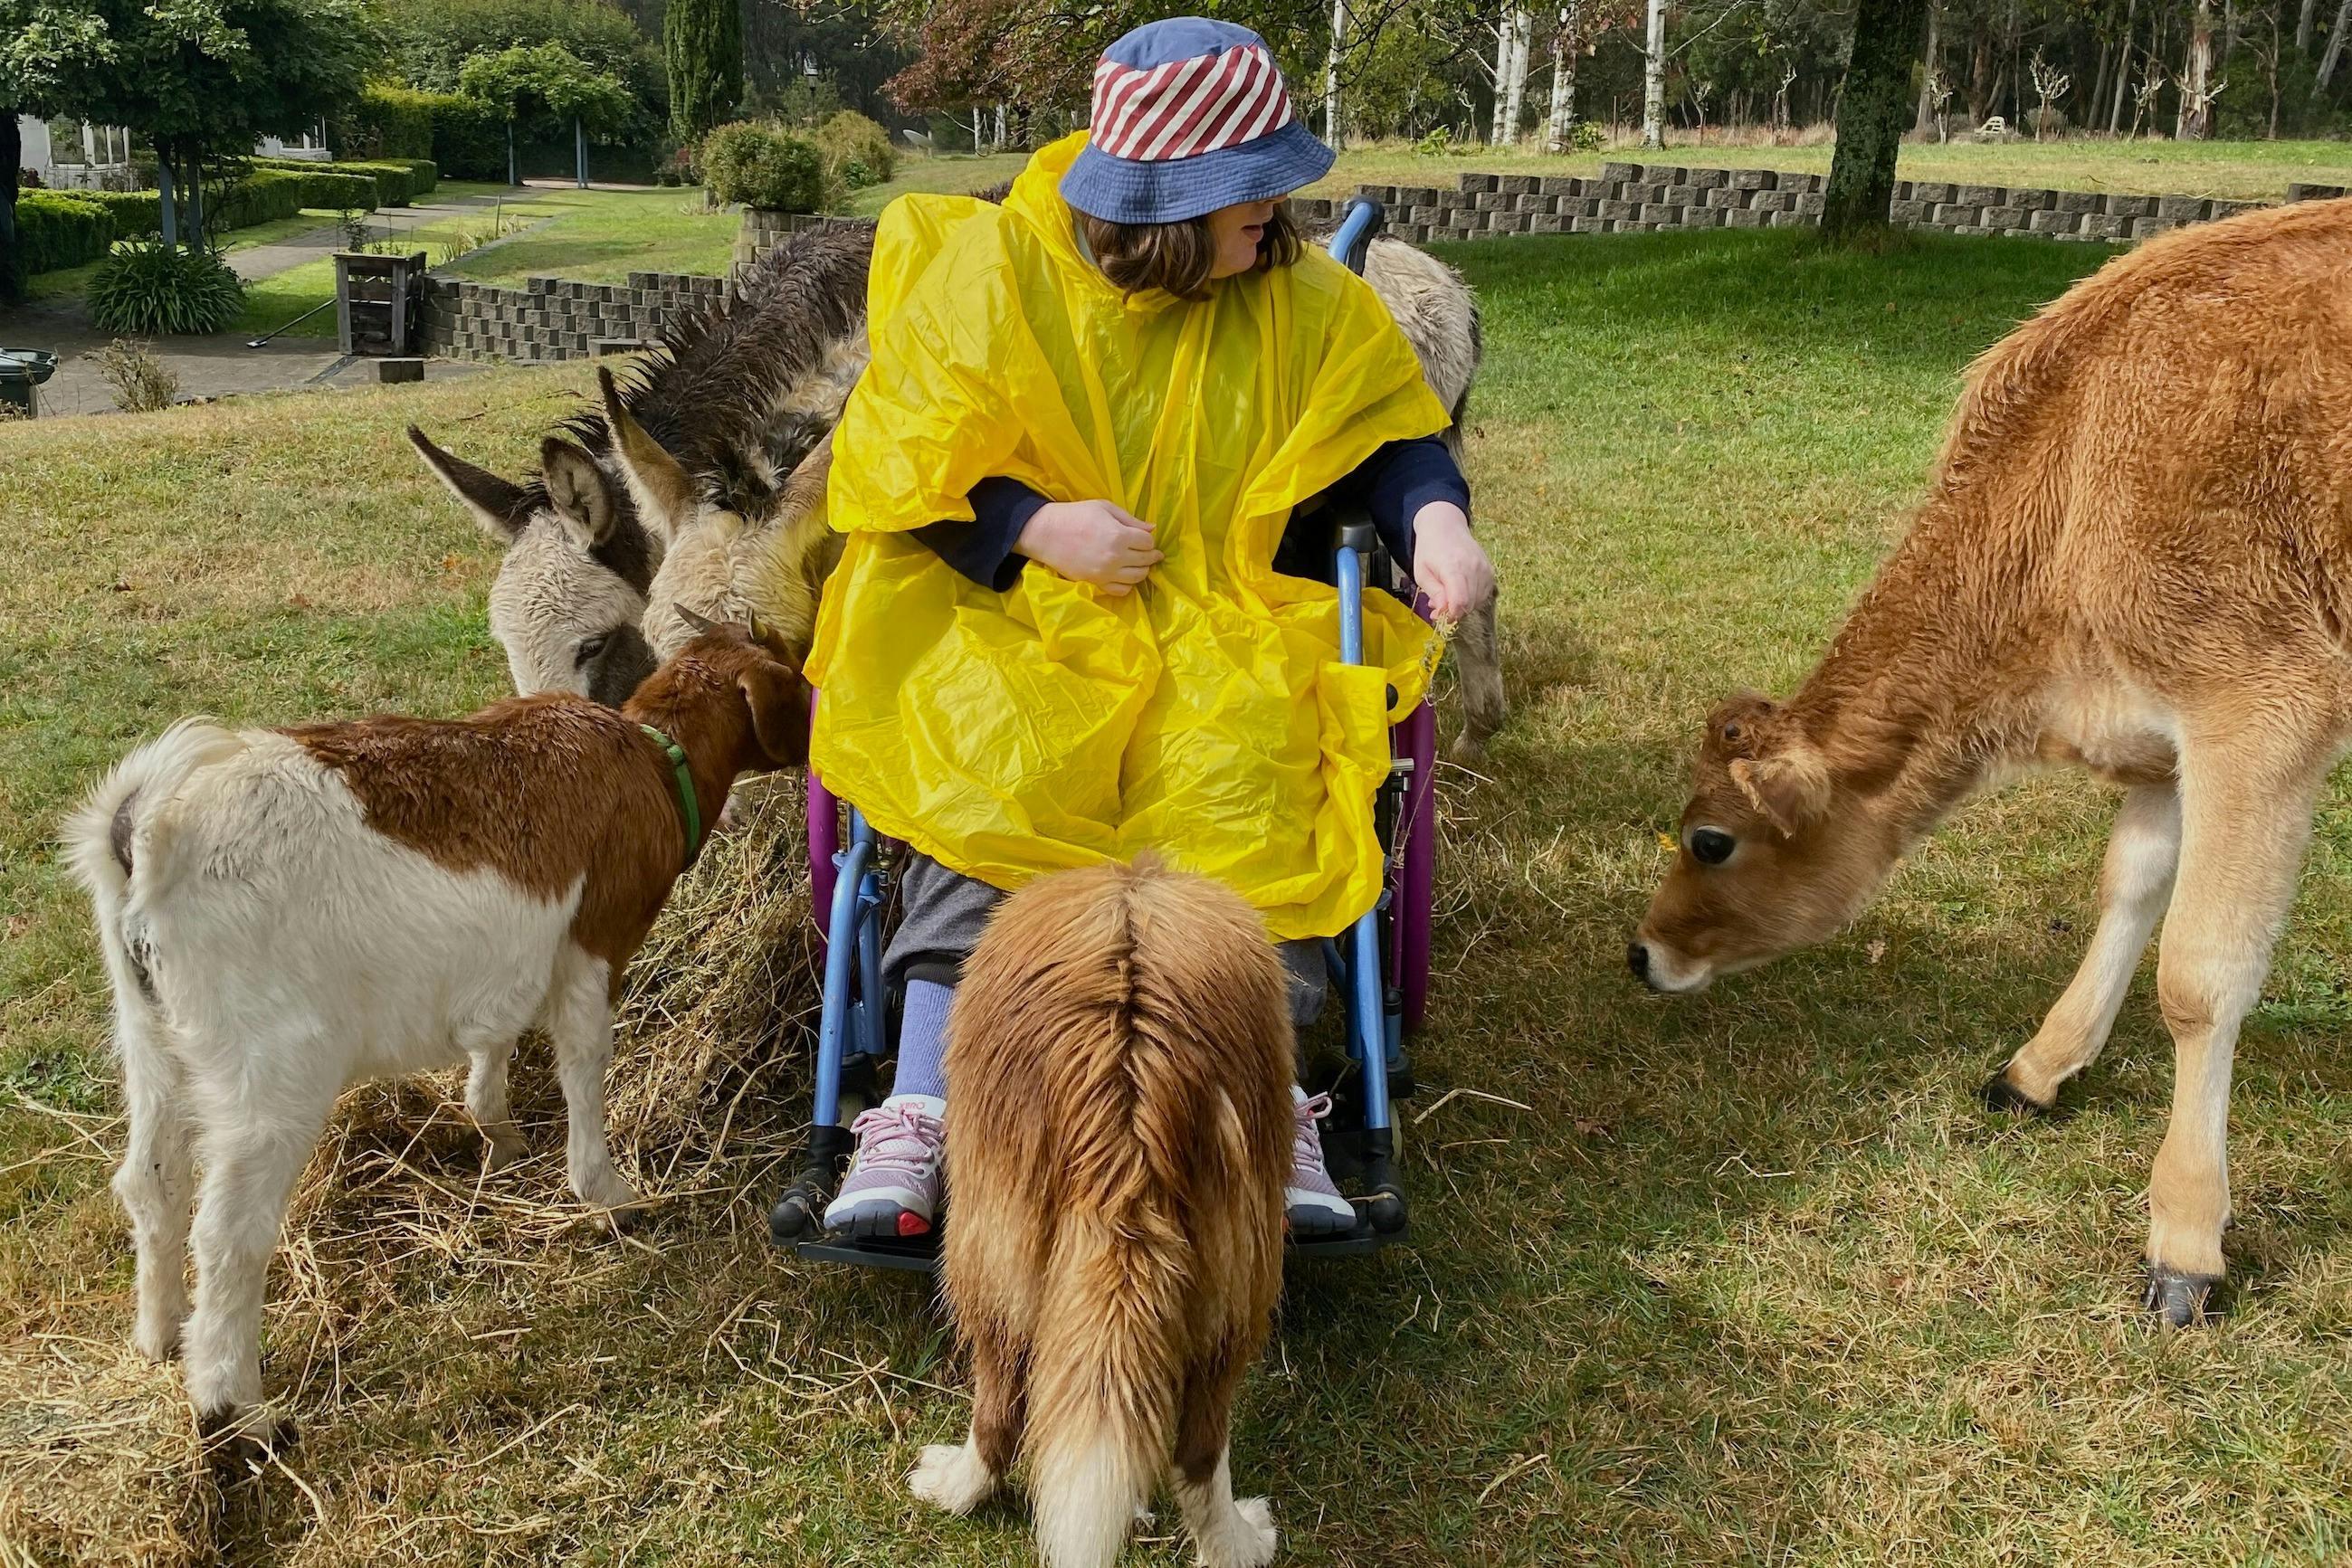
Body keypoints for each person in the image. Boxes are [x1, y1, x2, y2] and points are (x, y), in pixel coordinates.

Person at [808, 16, 1495, 1240]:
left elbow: (1390, 433)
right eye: (1253, 194)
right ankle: (918, 1101)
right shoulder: (996, 275)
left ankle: (1271, 1097)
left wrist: (1436, 521)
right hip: (1013, 615)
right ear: (1174, 203)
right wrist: (1029, 525)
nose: (1279, 216)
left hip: (1219, 616)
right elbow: (894, 462)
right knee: (994, 759)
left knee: (1247, 768)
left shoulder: (1297, 298)